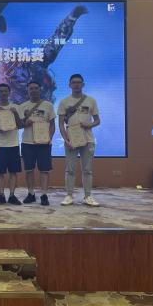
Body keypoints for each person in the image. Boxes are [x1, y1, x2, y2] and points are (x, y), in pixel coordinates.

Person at [58, 74, 101, 207]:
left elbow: (97, 121)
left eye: (78, 82)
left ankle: (87, 196)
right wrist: (66, 140)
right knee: (70, 169)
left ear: (83, 84)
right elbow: (61, 124)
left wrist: (89, 125)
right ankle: (69, 196)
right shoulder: (64, 102)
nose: (76, 84)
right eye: (73, 82)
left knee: (87, 170)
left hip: (88, 140)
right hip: (71, 140)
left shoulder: (90, 101)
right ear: (69, 85)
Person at [20, 81, 56, 206]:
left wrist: (49, 138)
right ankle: (31, 194)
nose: (34, 90)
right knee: (29, 170)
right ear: (27, 91)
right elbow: (19, 125)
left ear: (40, 90)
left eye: (36, 88)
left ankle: (44, 195)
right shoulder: (22, 106)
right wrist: (25, 123)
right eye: (31, 89)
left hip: (44, 144)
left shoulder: (48, 105)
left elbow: (52, 124)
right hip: (27, 143)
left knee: (44, 170)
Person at [0, 84, 23, 206]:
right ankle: (1, 195)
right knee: (0, 172)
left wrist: (15, 114)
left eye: (5, 91)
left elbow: (20, 126)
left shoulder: (16, 107)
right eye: (1, 91)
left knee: (13, 172)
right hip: (0, 145)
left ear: (9, 92)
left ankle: (12, 195)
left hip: (13, 144)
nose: (3, 93)